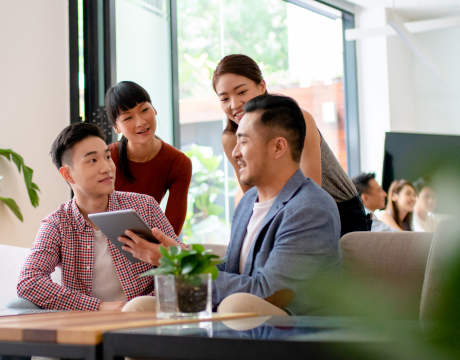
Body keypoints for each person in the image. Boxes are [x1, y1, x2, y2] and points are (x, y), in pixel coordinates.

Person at [123, 94, 341, 316]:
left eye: (244, 141)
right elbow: (233, 272)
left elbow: (269, 292)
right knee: (138, 308)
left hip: (297, 329)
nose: (235, 152)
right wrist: (182, 258)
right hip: (241, 313)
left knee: (235, 306)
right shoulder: (248, 201)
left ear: (278, 147)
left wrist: (179, 266)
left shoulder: (310, 208)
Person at [16, 122, 180, 311]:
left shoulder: (144, 206)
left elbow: (186, 265)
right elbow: (28, 281)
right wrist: (99, 307)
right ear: (67, 174)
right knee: (16, 305)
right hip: (88, 325)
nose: (107, 168)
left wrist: (167, 260)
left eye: (108, 157)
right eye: (92, 160)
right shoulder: (57, 223)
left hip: (145, 316)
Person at [212, 54, 367, 236]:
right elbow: (255, 199)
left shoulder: (298, 121)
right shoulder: (231, 139)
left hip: (340, 210)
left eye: (241, 92)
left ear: (261, 86)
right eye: (224, 99)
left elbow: (312, 195)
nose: (235, 104)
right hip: (281, 216)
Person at [105, 81, 192, 235]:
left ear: (154, 110)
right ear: (116, 127)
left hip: (150, 244)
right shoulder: (106, 158)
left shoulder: (179, 163)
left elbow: (171, 233)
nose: (141, 122)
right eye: (128, 118)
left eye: (144, 110)